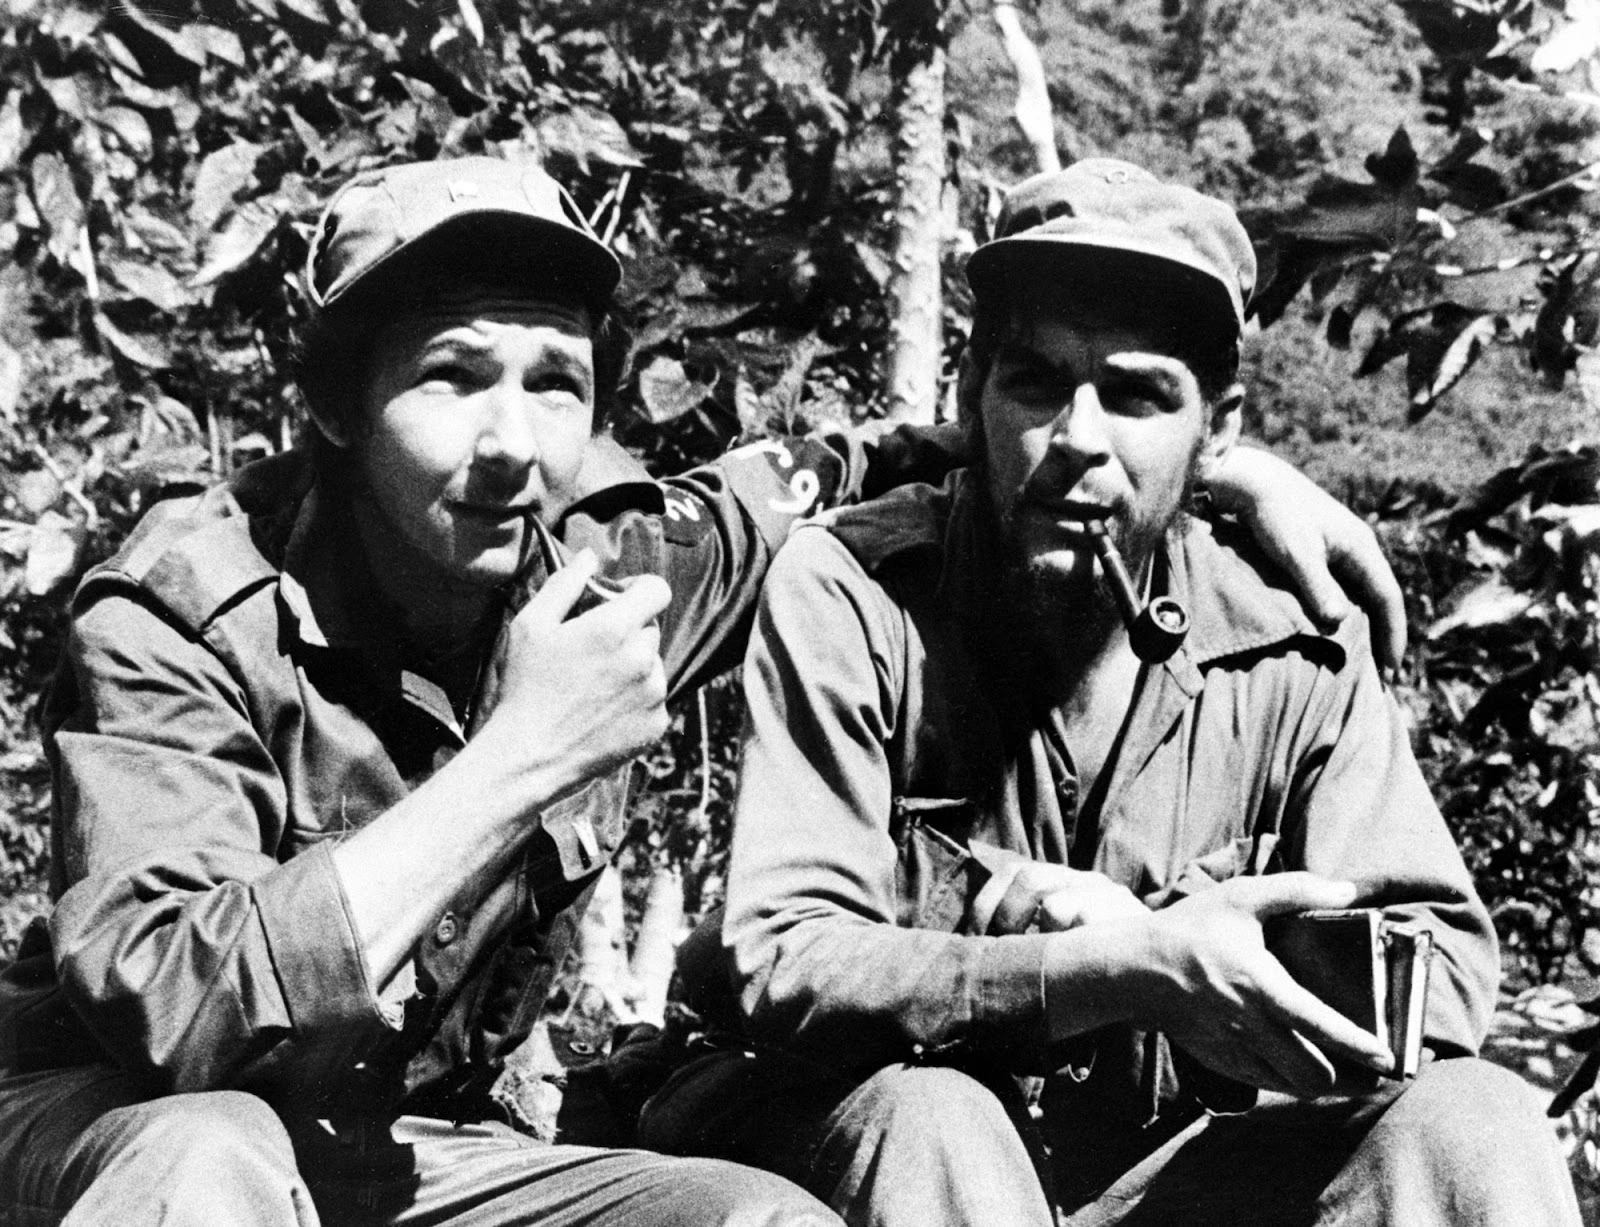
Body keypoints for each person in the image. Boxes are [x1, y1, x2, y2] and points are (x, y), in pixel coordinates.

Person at [0, 154, 1408, 1226]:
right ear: (327, 405)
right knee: (208, 1161)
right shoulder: (181, 610)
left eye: (556, 383)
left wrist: (1208, 468)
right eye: (450, 377)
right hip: (125, 1123)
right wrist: (524, 752)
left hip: (431, 1142)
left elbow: (878, 455)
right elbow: (185, 1016)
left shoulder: (621, 567)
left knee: (761, 1218)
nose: (511, 444)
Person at [637, 159, 1583, 1226]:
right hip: (866, 1147)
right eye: (1035, 382)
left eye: (1136, 395)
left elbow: (1443, 960)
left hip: (1146, 1172)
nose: (1078, 438)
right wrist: (1069, 944)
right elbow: (784, 955)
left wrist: (1201, 954)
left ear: (1218, 432)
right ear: (973, 397)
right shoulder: (855, 591)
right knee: (934, 1117)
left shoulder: (1290, 643)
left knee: (1475, 1120)